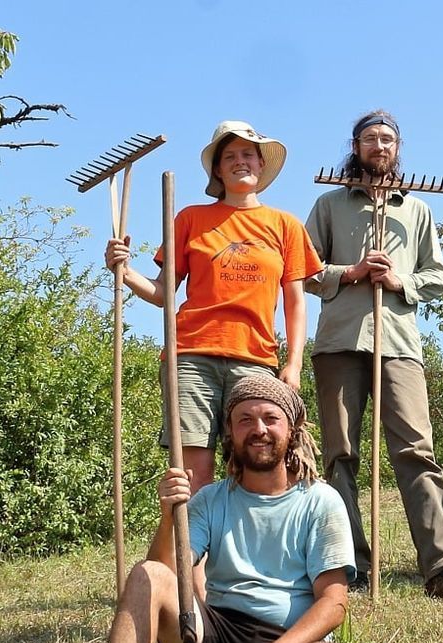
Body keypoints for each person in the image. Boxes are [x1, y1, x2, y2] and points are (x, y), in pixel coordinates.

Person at [33, 371, 354, 643]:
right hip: (214, 635)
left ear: (292, 430)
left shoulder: (320, 502)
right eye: (245, 419)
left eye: (270, 418)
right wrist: (170, 516)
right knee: (147, 572)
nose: (258, 429)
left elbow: (333, 603)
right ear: (229, 433)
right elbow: (165, 574)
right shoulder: (211, 499)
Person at [304, 110, 443, 603]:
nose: (379, 145)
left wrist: (398, 281)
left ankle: (442, 570)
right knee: (340, 456)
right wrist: (353, 271)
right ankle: (349, 568)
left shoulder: (417, 211)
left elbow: (437, 276)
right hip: (340, 342)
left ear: (398, 147)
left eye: (387, 138)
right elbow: (305, 272)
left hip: (399, 345)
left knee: (415, 451)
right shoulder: (329, 204)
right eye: (371, 138)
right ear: (356, 145)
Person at [106, 120, 321, 493]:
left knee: (257, 465)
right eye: (230, 156)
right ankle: (193, 553)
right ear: (218, 170)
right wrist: (123, 270)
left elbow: (296, 302)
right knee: (195, 476)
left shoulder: (286, 225)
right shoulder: (191, 219)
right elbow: (162, 294)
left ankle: (248, 550)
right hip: (190, 356)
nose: (241, 162)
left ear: (260, 164)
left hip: (256, 359)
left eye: (248, 155)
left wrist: (294, 364)